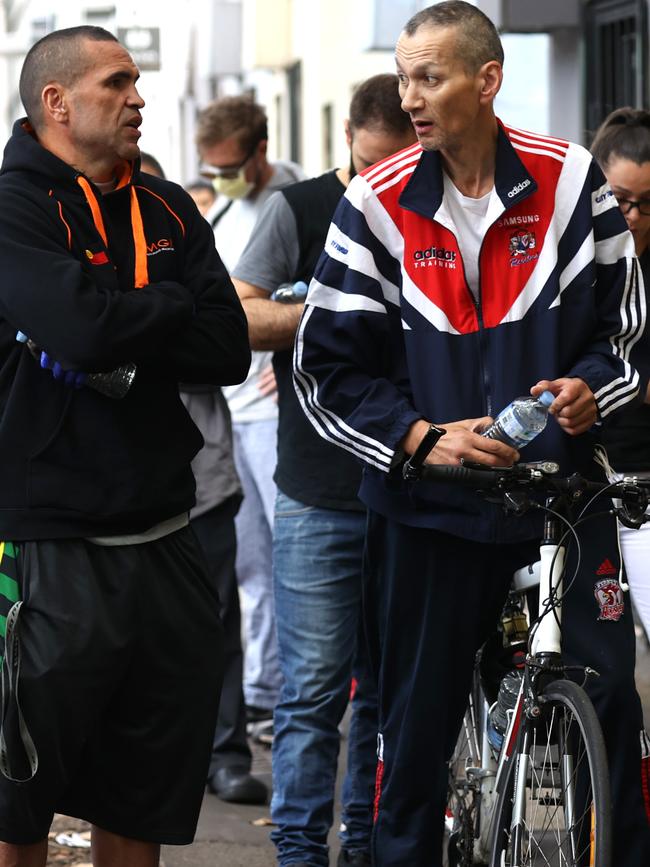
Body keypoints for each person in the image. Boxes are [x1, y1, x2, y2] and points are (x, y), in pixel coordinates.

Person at [293, 4, 650, 866]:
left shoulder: (571, 182)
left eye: (431, 76)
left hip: (563, 500)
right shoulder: (374, 205)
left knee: (610, 710)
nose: (409, 96)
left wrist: (590, 389)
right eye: (405, 76)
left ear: (488, 80)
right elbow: (323, 371)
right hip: (429, 510)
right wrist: (420, 439)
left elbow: (629, 332)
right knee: (410, 747)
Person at [0, 24, 250, 867]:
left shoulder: (171, 205)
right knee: (17, 797)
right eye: (118, 83)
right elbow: (78, 331)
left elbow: (226, 348)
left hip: (166, 538)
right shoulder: (13, 208)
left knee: (141, 791)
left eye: (138, 82)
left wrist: (120, 315)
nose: (138, 97)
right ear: (57, 103)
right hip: (44, 547)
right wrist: (165, 305)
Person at [233, 74, 416, 867]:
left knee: (385, 691)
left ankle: (364, 845)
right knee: (311, 694)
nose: (382, 184)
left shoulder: (435, 210)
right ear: (348, 136)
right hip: (319, 491)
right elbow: (239, 314)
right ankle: (300, 853)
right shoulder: (299, 209)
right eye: (370, 164)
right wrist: (328, 314)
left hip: (413, 485)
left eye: (397, 166)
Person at [180, 96, 304, 804]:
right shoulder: (215, 216)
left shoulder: (291, 204)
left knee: (247, 581)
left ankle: (241, 723)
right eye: (210, 171)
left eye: (229, 168)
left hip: (247, 427)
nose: (220, 178)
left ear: (259, 152)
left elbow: (219, 329)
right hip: (207, 432)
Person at [591, 108, 650, 642]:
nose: (630, 216)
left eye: (645, 204)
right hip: (579, 490)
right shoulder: (568, 266)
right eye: (617, 200)